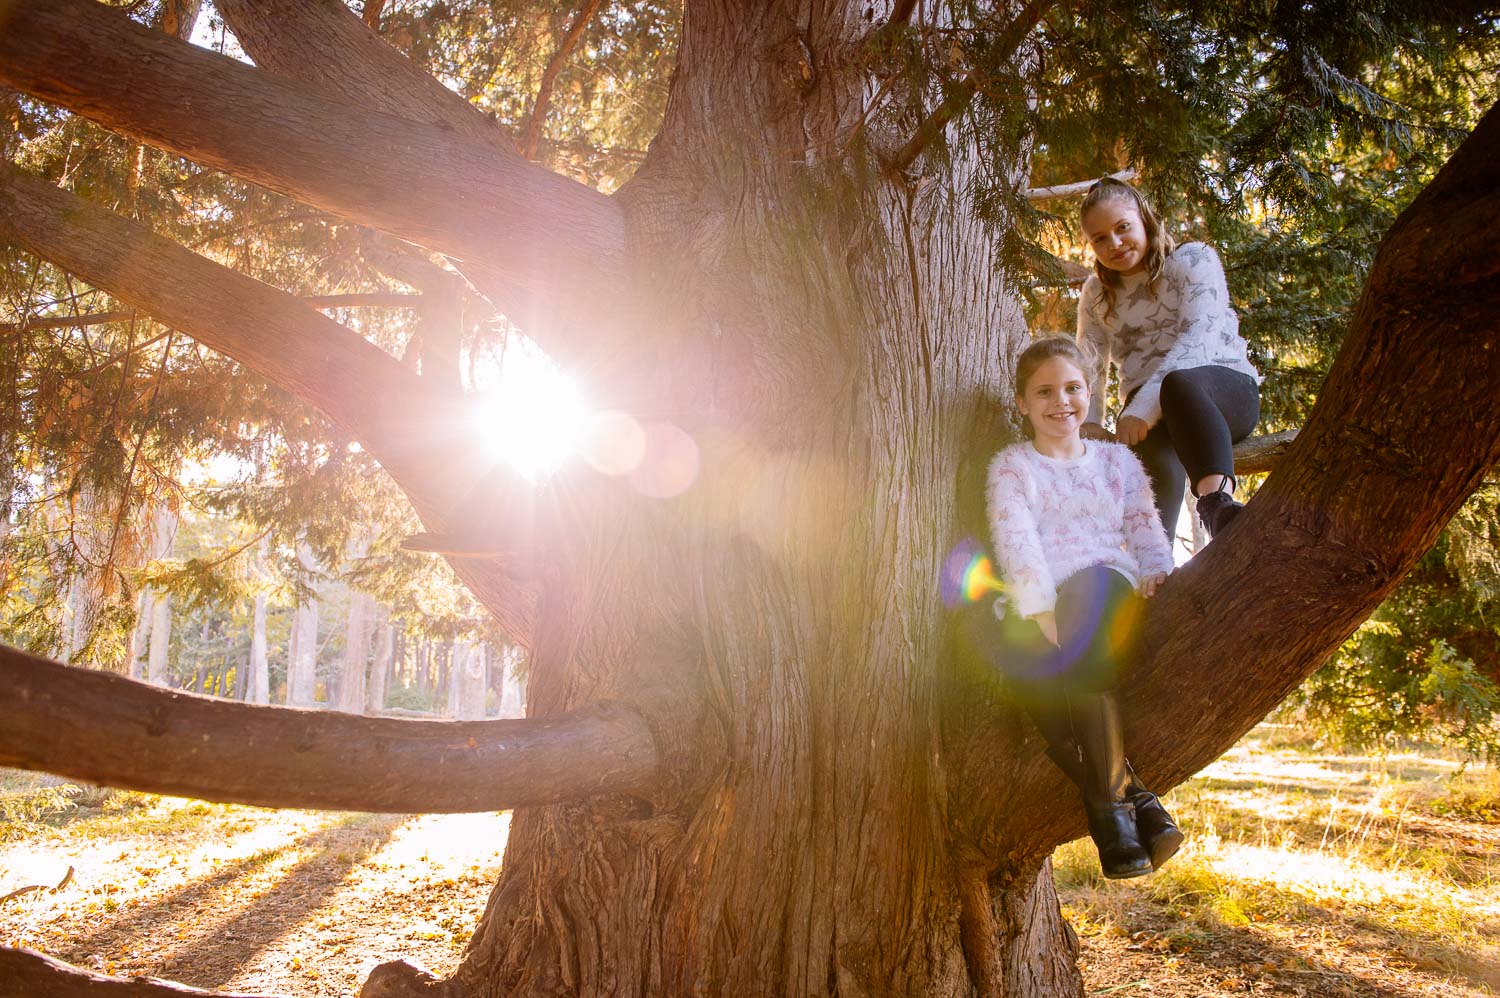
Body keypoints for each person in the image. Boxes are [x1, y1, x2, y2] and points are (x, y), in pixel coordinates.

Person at [986, 336, 1182, 879]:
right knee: (1030, 675)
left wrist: (1157, 574)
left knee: (1086, 623)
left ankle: (1111, 818)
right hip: (1042, 588)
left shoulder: (1117, 461)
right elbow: (1016, 537)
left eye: (1072, 388)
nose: (1061, 401)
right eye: (1044, 391)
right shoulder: (1012, 468)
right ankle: (1144, 803)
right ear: (1023, 403)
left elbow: (1144, 526)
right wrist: (1038, 607)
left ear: (1090, 392)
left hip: (1101, 577)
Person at [1076, 176, 1261, 541]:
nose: (1113, 243)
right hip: (1150, 418)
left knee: (1179, 384)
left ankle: (1217, 504)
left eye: (1122, 227)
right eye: (1099, 238)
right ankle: (1152, 565)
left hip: (1220, 389)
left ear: (1144, 219)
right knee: (1152, 463)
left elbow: (1200, 338)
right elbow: (1090, 361)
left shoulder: (1192, 260)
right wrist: (1090, 422)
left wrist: (1142, 407)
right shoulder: (1097, 293)